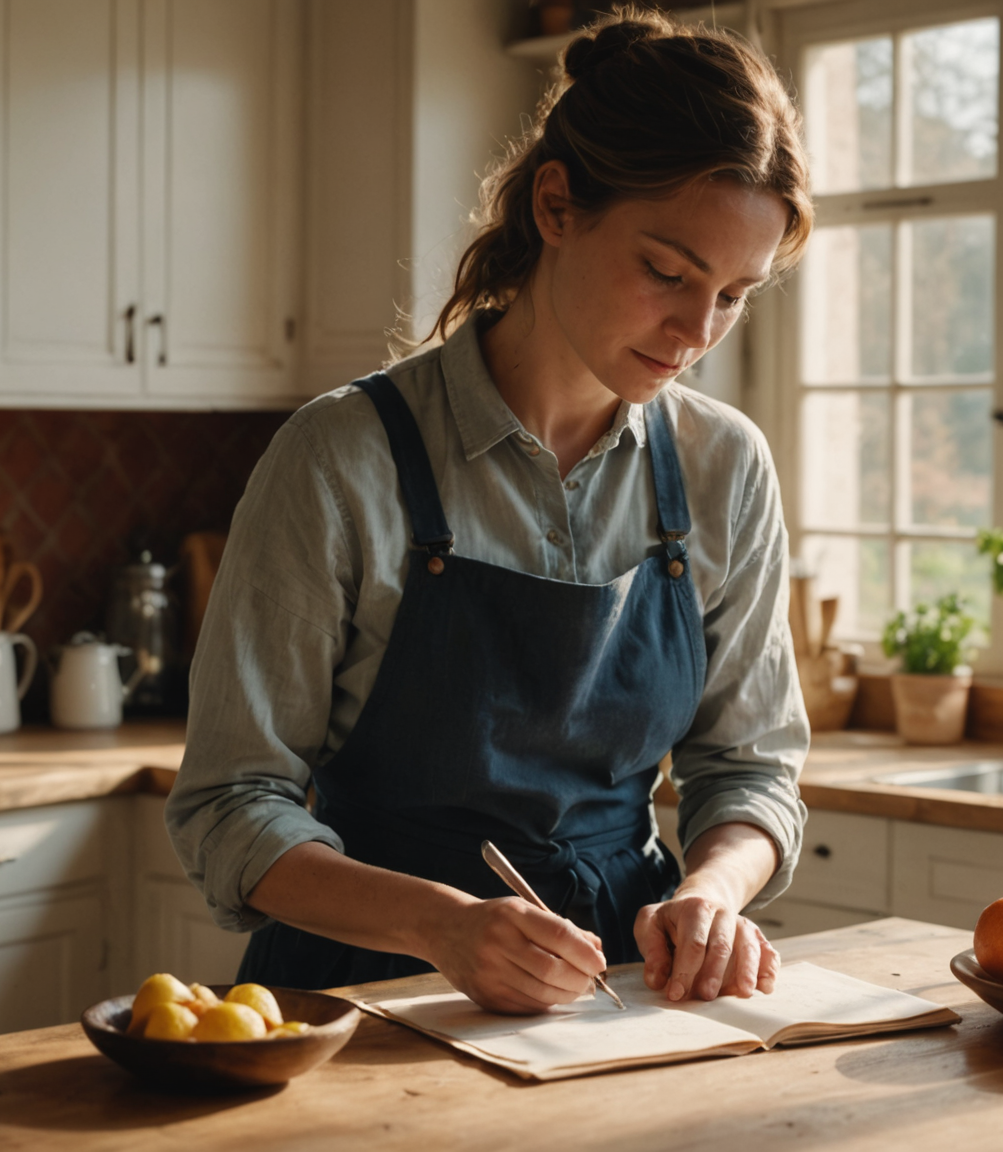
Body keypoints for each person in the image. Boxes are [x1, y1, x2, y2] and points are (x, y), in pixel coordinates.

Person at [167, 8, 813, 1015]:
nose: (697, 330)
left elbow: (750, 768)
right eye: (667, 271)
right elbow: (229, 805)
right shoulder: (340, 458)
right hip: (364, 996)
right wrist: (439, 925)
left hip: (620, 997)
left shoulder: (724, 466)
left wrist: (712, 894)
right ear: (556, 205)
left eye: (734, 294)